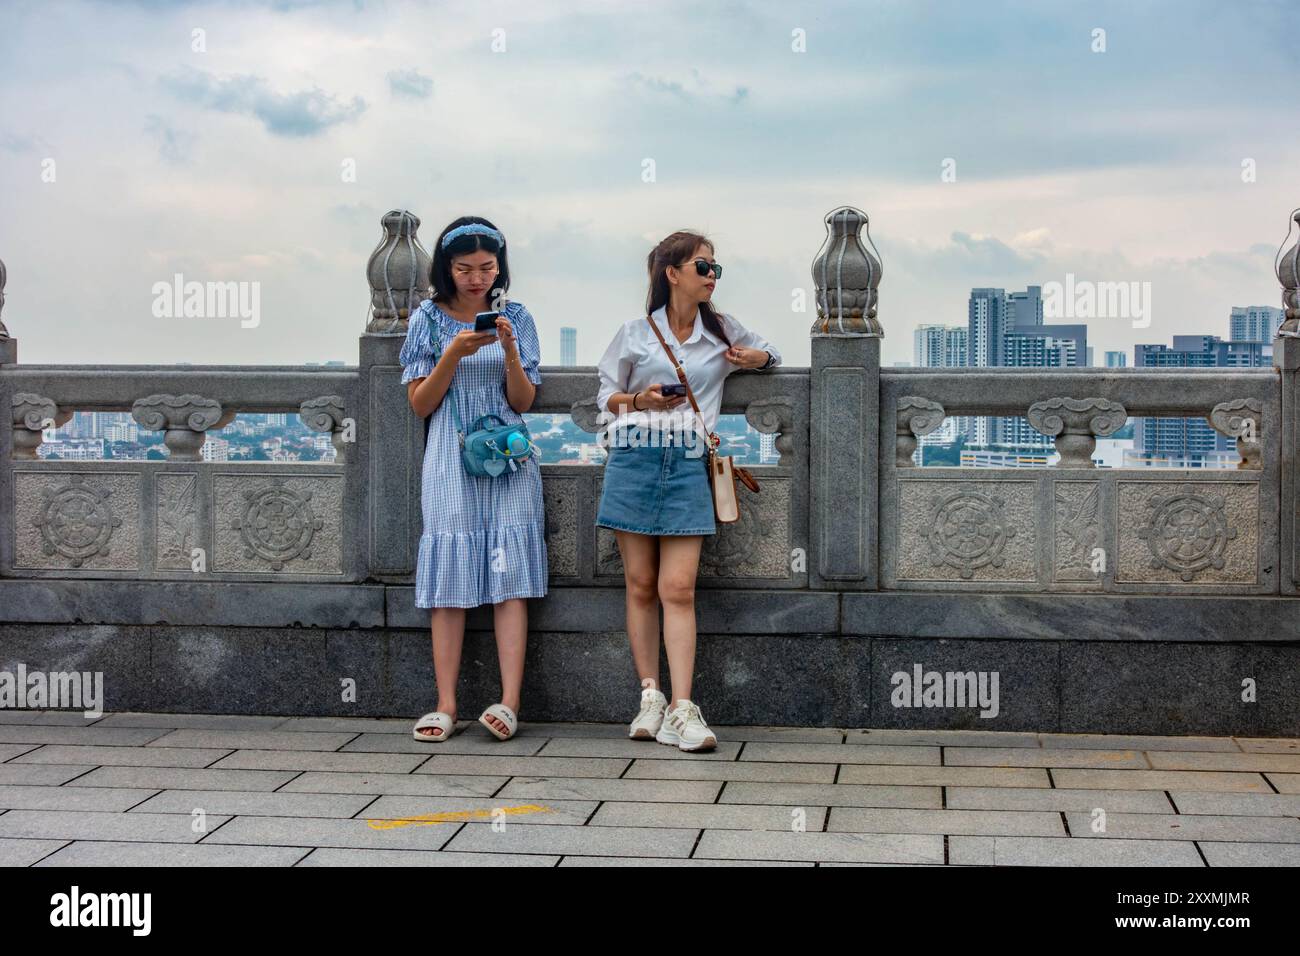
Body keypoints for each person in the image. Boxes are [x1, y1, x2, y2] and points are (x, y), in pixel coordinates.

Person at [594, 230, 782, 752]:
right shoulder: (634, 333)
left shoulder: (720, 330)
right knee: (639, 584)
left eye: (715, 268)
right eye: (703, 266)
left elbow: (770, 352)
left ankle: (683, 706)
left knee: (678, 588)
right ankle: (649, 696)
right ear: (671, 272)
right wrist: (641, 399)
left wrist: (754, 361)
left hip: (688, 463)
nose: (712, 276)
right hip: (633, 454)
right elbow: (605, 395)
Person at [399, 216, 546, 743]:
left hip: (508, 455)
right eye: (465, 269)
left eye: (487, 268)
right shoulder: (428, 321)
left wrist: (507, 348)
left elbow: (524, 401)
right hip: (448, 456)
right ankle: (445, 703)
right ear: (446, 269)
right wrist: (451, 356)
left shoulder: (518, 316)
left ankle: (509, 703)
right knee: (449, 581)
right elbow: (420, 404)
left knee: (510, 579)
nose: (477, 278)